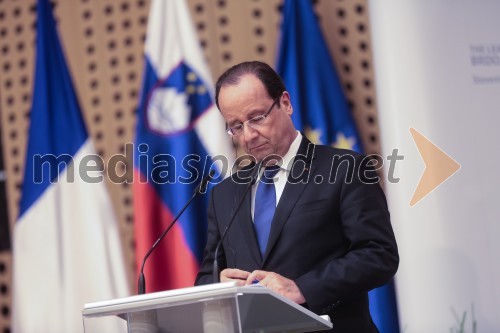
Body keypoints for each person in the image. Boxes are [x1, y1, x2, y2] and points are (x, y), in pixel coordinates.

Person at [195, 61, 398, 332]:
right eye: (236, 126)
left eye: (256, 118)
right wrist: (220, 287)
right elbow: (205, 279)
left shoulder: (346, 169)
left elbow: (379, 255)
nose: (249, 135)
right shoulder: (225, 193)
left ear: (286, 103)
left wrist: (302, 288)